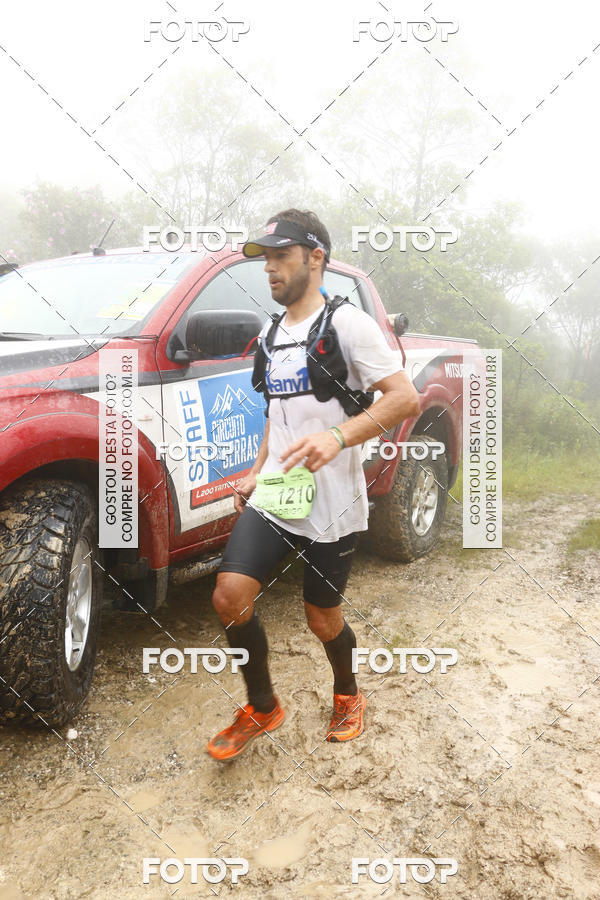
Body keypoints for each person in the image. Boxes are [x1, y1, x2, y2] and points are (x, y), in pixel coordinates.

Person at [206, 209, 420, 761]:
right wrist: (257, 470)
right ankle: (262, 706)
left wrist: (338, 437)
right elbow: (276, 413)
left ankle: (348, 694)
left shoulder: (348, 325)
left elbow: (404, 398)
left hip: (333, 501)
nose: (270, 268)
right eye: (266, 259)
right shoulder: (271, 333)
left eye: (281, 256)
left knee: (321, 617)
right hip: (277, 492)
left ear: (315, 258)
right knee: (229, 596)